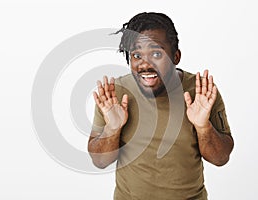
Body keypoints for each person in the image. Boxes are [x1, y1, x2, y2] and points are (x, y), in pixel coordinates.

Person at [87, 12, 234, 200]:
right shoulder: (114, 94)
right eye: (137, 55)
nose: (145, 64)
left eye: (156, 53)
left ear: (176, 56)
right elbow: (99, 161)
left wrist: (203, 126)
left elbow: (220, 158)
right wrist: (112, 129)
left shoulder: (202, 92)